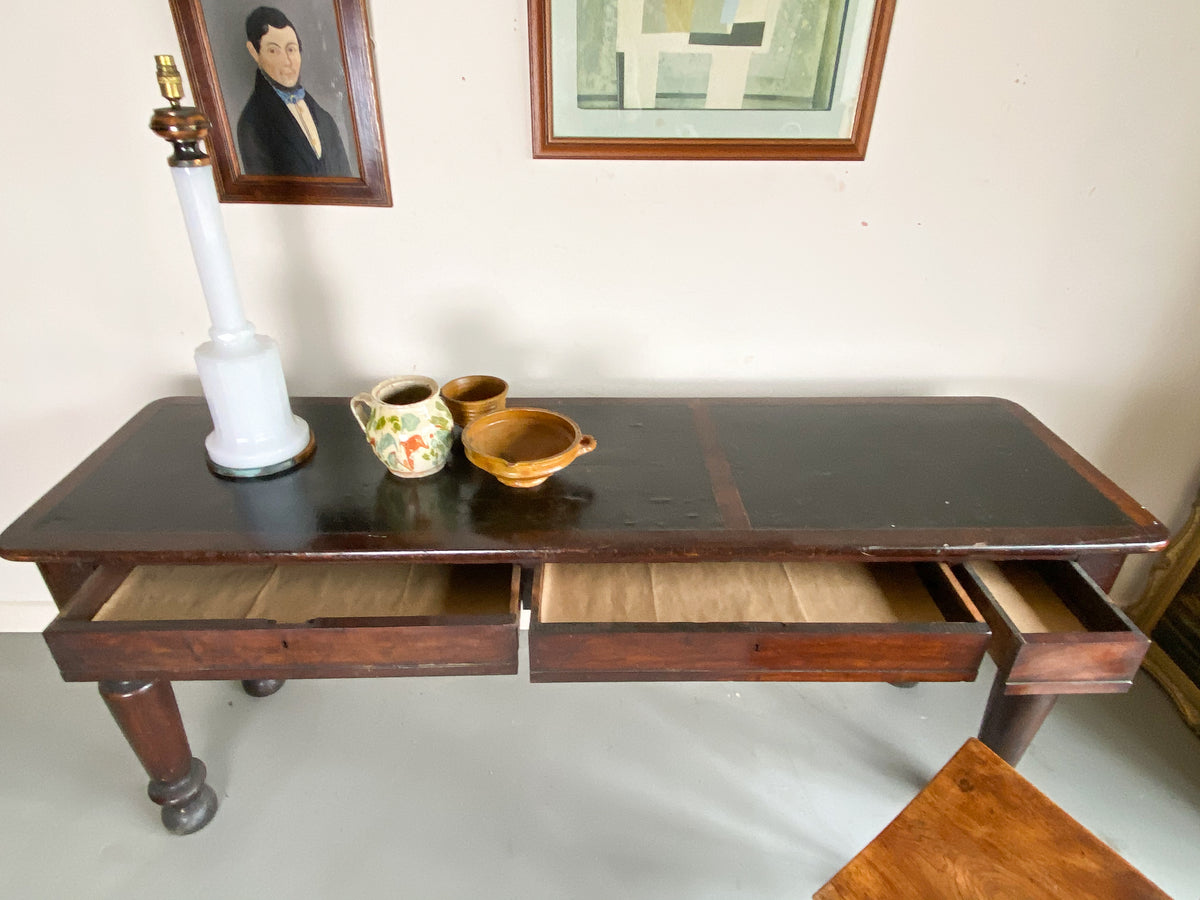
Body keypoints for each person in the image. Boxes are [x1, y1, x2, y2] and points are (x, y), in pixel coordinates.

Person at [237, 6, 352, 177]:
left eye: (291, 49)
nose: (287, 62)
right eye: (273, 51)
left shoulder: (324, 118)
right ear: (255, 52)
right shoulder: (253, 124)